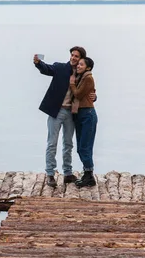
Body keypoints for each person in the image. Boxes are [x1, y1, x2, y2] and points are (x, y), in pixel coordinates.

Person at [33, 47, 96, 187]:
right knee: (52, 143)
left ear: (81, 59)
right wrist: (38, 63)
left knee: (68, 144)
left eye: (76, 56)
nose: (73, 58)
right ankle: (50, 174)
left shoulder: (81, 73)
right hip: (56, 111)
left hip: (71, 113)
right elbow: (47, 69)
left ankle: (67, 173)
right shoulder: (60, 67)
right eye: (72, 55)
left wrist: (95, 96)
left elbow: (88, 89)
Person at [70, 57, 98, 187]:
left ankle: (89, 176)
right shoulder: (81, 77)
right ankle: (87, 174)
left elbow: (78, 94)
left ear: (88, 67)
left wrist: (71, 83)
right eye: (78, 64)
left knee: (84, 147)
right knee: (81, 148)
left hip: (87, 114)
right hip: (80, 114)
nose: (78, 66)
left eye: (81, 64)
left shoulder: (87, 78)